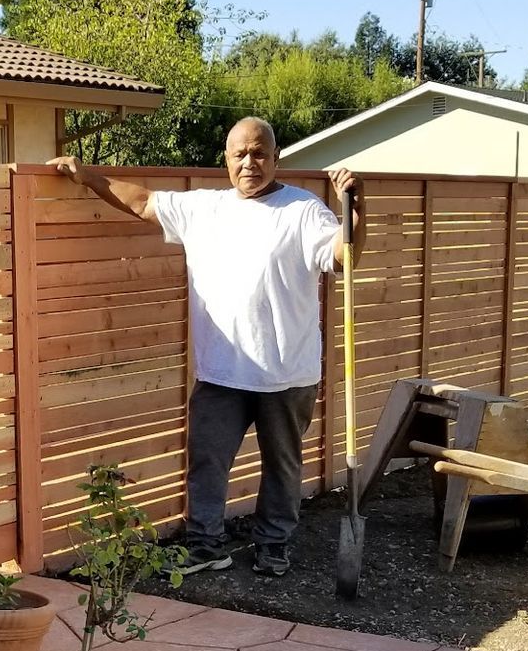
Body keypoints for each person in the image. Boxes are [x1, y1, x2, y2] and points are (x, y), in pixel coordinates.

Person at [50, 120, 359, 576]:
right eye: (240, 154)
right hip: (220, 371)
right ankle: (205, 546)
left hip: (286, 374)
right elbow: (142, 201)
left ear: (276, 157)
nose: (249, 163)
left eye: (259, 153)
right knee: (207, 462)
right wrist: (87, 175)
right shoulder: (204, 209)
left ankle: (273, 544)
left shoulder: (303, 210)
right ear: (226, 158)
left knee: (282, 466)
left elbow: (342, 255)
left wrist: (355, 210)